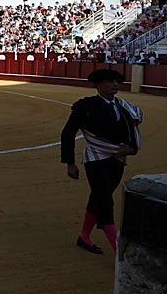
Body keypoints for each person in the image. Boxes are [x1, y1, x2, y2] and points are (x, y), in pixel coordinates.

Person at [60, 68, 142, 255]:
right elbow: (68, 133)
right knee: (105, 200)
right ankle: (120, 254)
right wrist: (69, 162)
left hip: (118, 159)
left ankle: (84, 236)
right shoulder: (85, 106)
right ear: (97, 85)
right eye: (109, 82)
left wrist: (132, 149)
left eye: (116, 81)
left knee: (98, 196)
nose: (114, 85)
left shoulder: (124, 107)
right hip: (95, 159)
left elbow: (131, 133)